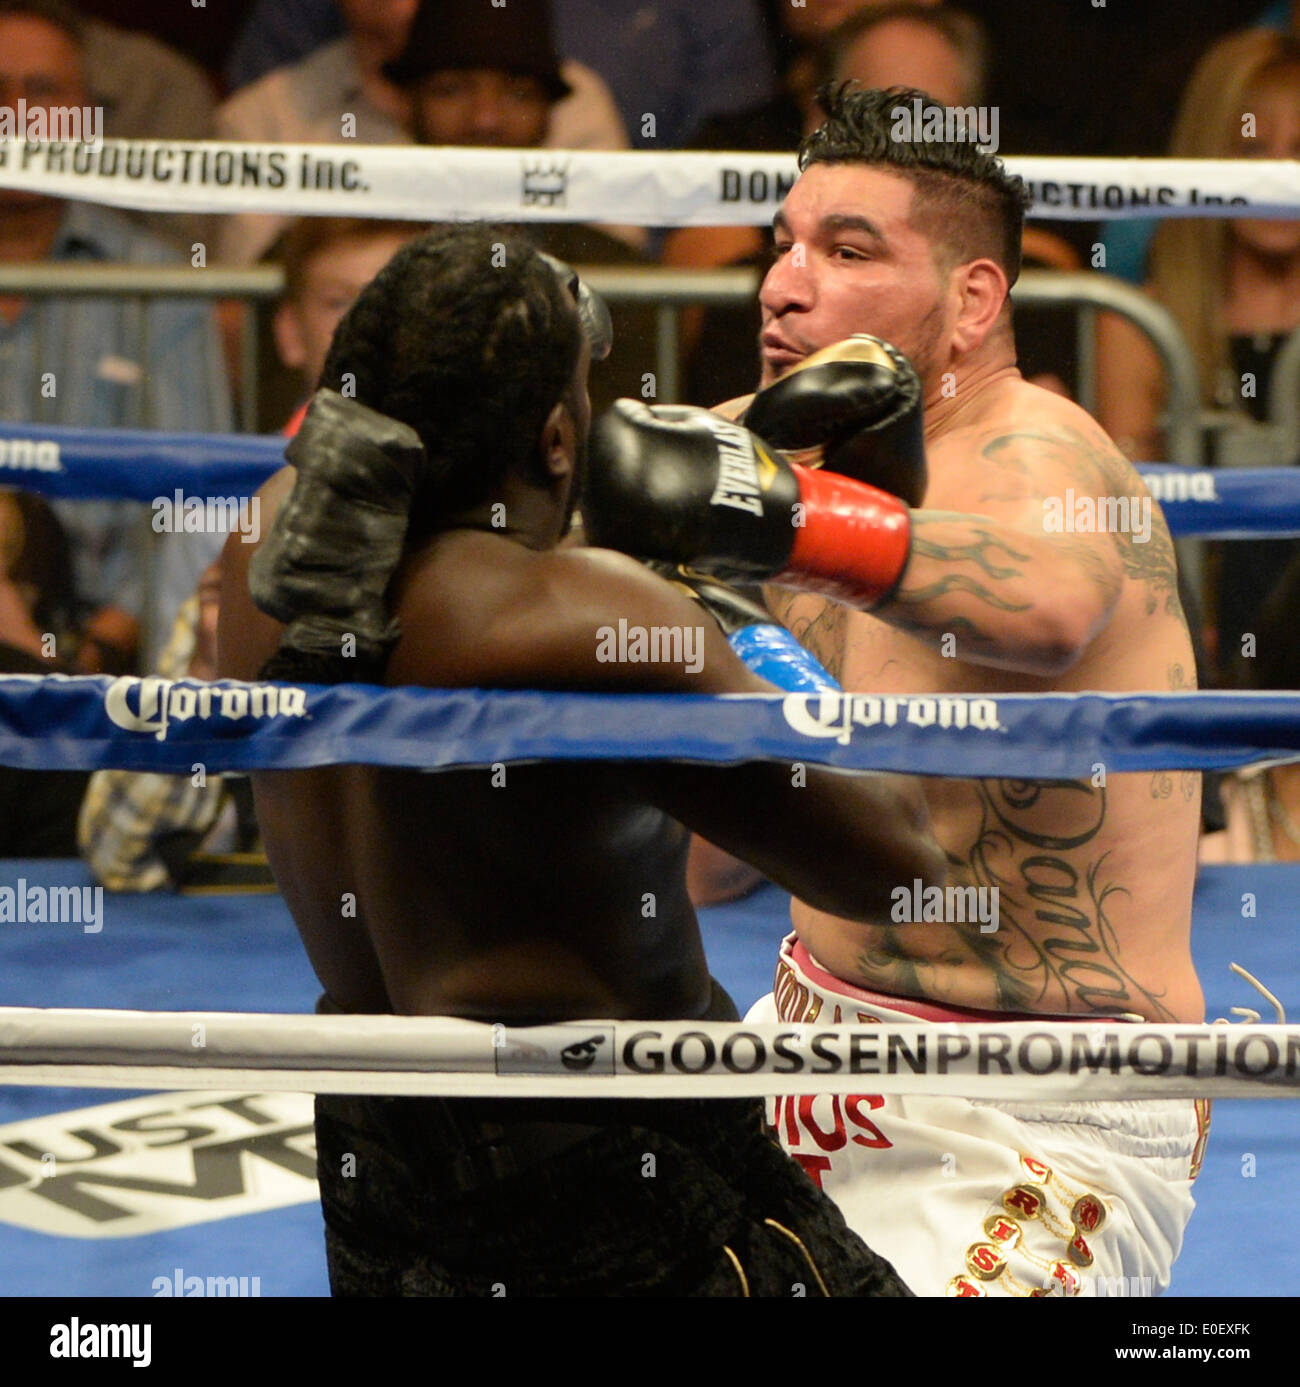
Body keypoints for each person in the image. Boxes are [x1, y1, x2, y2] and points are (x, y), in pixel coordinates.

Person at [218, 224, 946, 1297]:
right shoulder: (580, 621)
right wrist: (736, 609)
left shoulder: (260, 554)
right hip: (612, 1161)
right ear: (557, 438)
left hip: (378, 1146)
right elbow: (894, 862)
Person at [590, 83, 1210, 1297]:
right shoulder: (747, 452)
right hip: (801, 1036)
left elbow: (1046, 608)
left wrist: (783, 518)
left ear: (973, 298)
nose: (783, 282)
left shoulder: (1039, 451)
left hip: (1032, 1109)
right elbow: (715, 868)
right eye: (784, 245)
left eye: (847, 249)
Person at [0, 1, 234, 671]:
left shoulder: (159, 284)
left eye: (42, 91)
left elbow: (194, 498)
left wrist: (100, 644)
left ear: (85, 118)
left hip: (111, 664)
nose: (15, 113)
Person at [1096, 30, 1300, 687]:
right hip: (1189, 645)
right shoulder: (1139, 322)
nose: (1275, 173)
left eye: (1299, 152)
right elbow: (1130, 520)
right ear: (1206, 157)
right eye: (1248, 149)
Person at [215, 0, 629, 266]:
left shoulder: (601, 261)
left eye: (519, 93)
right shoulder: (263, 114)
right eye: (451, 90)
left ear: (551, 113)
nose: (485, 118)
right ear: (406, 109)